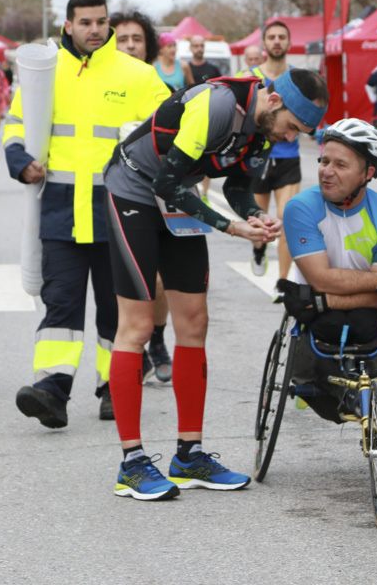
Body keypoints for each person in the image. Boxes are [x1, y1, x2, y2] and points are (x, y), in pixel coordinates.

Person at [102, 68, 329, 500]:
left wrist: (255, 216)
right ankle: (131, 463)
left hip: (176, 199)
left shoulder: (263, 130)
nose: (289, 139)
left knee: (195, 321)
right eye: (292, 129)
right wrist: (230, 227)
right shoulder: (218, 105)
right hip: (133, 189)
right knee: (137, 325)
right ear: (275, 103)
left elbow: (240, 185)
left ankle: (189, 454)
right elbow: (166, 180)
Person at [3, 0, 171, 428]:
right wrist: (19, 161)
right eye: (85, 23)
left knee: (116, 310)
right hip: (59, 207)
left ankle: (115, 388)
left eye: (101, 22)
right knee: (60, 304)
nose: (95, 30)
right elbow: (16, 125)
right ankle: (51, 392)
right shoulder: (44, 71)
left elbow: (170, 129)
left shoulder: (137, 74)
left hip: (120, 209)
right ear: (68, 26)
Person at [275, 119, 377, 422]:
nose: (326, 171)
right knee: (318, 360)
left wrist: (328, 299)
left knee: (365, 325)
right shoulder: (301, 208)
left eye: (340, 164)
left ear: (367, 173)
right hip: (313, 312)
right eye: (324, 161)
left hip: (349, 312)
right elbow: (320, 278)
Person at [110, 9, 174, 387]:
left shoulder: (156, 85)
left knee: (161, 281)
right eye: (122, 39)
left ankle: (159, 339)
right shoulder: (99, 82)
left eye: (137, 39)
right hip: (112, 194)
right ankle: (127, 351)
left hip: (155, 192)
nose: (130, 45)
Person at [245, 21, 303, 302]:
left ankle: (282, 282)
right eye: (272, 37)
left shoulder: (298, 77)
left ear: (289, 43)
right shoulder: (251, 76)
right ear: (264, 44)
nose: (277, 41)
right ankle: (258, 249)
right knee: (259, 226)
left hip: (288, 160)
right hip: (257, 159)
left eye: (282, 37)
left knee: (286, 219)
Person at [188, 34, 223, 208]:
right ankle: (190, 191)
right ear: (190, 48)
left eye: (201, 45)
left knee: (207, 157)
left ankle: (205, 194)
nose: (199, 49)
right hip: (193, 118)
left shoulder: (213, 69)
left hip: (211, 118)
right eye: (196, 46)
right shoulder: (187, 69)